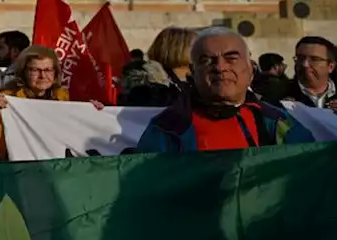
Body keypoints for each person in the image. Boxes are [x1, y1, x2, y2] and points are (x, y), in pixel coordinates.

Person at [136, 27, 314, 152]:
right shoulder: (167, 129)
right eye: (207, 60)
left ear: (251, 69)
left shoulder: (280, 124)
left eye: (231, 59)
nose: (220, 67)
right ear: (193, 73)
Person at [0, 45, 96, 162]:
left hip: (57, 169)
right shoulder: (7, 99)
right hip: (20, 169)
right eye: (35, 70)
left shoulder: (65, 97)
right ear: (24, 72)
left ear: (55, 72)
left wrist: (92, 112)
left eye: (48, 70)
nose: (42, 76)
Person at [122, 27, 196, 107]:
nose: (201, 50)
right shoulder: (148, 84)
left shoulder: (199, 81)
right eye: (195, 46)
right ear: (177, 49)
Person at [281, 36, 337, 110]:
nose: (305, 64)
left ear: (330, 67)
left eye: (314, 59)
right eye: (300, 58)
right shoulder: (278, 95)